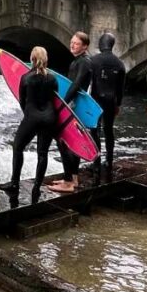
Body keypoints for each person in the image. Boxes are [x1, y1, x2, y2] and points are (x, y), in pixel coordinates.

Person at [0, 46, 58, 203]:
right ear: (45, 59)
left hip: (32, 117)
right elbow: (57, 100)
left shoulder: (25, 78)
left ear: (32, 59)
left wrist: (30, 114)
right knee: (43, 153)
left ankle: (14, 183)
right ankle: (37, 187)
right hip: (49, 118)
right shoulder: (52, 78)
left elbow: (22, 101)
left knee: (18, 147)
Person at [48, 31, 94, 193]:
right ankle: (72, 178)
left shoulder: (84, 62)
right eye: (72, 42)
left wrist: (63, 103)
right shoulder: (79, 60)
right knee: (67, 141)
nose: (72, 45)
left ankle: (69, 181)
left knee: (64, 141)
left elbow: (76, 85)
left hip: (74, 106)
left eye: (76, 43)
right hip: (74, 105)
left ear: (85, 46)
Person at [90, 33, 126, 178]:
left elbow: (89, 82)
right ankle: (109, 160)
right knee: (109, 130)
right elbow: (121, 88)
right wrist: (118, 104)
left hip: (95, 99)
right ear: (112, 45)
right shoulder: (119, 63)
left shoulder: (93, 60)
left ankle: (96, 161)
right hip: (111, 101)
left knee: (95, 130)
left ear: (101, 44)